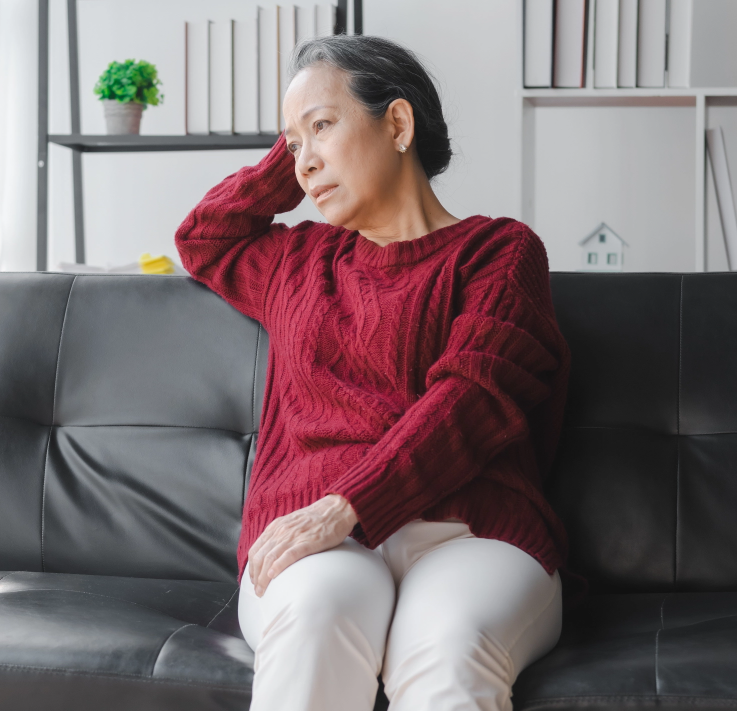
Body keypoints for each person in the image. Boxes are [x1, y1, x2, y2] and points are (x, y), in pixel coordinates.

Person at [174, 33, 584, 711]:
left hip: (469, 530)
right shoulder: (295, 262)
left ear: (398, 123)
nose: (304, 164)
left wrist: (349, 505)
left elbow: (471, 399)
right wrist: (302, 146)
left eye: (323, 127)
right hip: (312, 534)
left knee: (445, 646)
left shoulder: (500, 253)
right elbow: (203, 238)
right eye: (292, 145)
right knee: (315, 616)